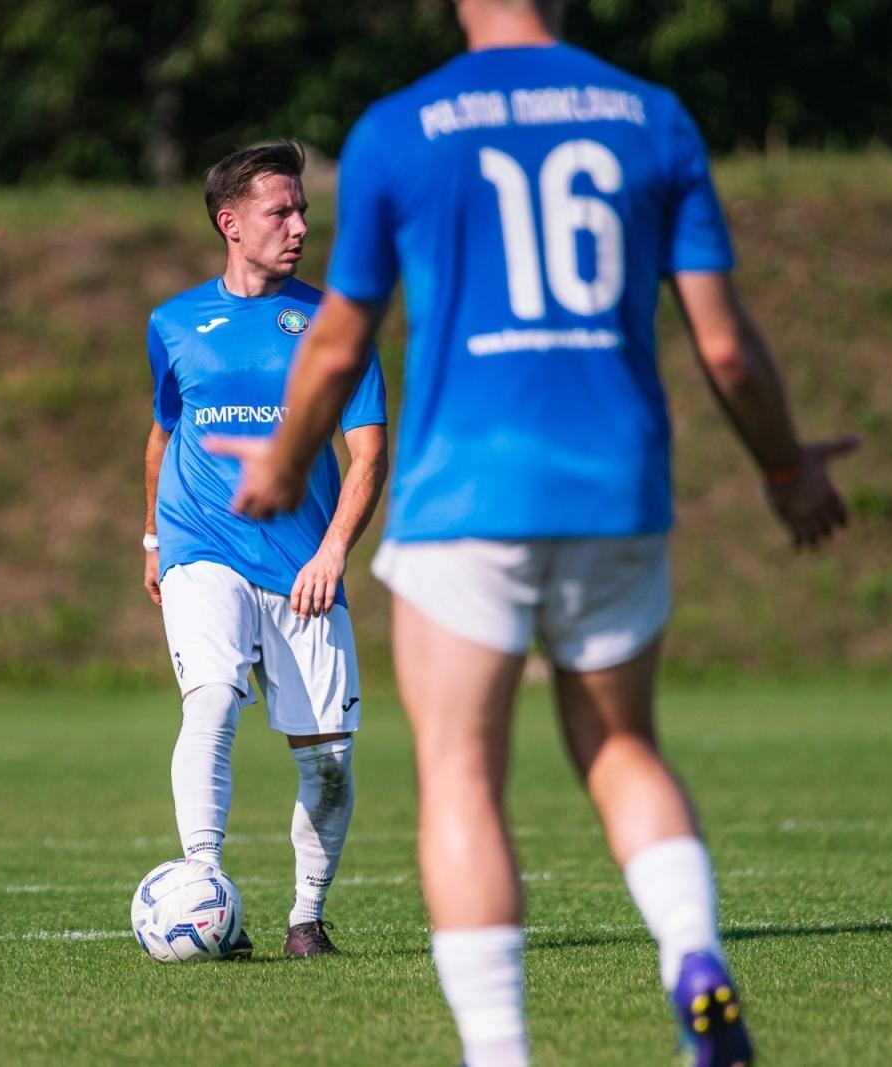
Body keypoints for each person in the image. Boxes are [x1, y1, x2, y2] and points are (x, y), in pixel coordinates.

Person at [209, 0, 854, 1061]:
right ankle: (692, 955)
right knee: (622, 748)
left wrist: (281, 466)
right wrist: (785, 471)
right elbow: (726, 348)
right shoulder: (654, 115)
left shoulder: (398, 128)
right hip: (616, 491)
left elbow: (334, 345)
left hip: (465, 503)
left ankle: (501, 1049)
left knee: (462, 771)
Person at [143, 139, 389, 960]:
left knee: (328, 762)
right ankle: (203, 883)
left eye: (303, 211)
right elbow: (164, 431)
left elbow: (369, 451)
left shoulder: (337, 323)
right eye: (280, 210)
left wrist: (331, 552)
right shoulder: (173, 323)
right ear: (231, 222)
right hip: (200, 544)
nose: (299, 225)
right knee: (210, 701)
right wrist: (153, 537)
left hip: (302, 562)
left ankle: (305, 918)